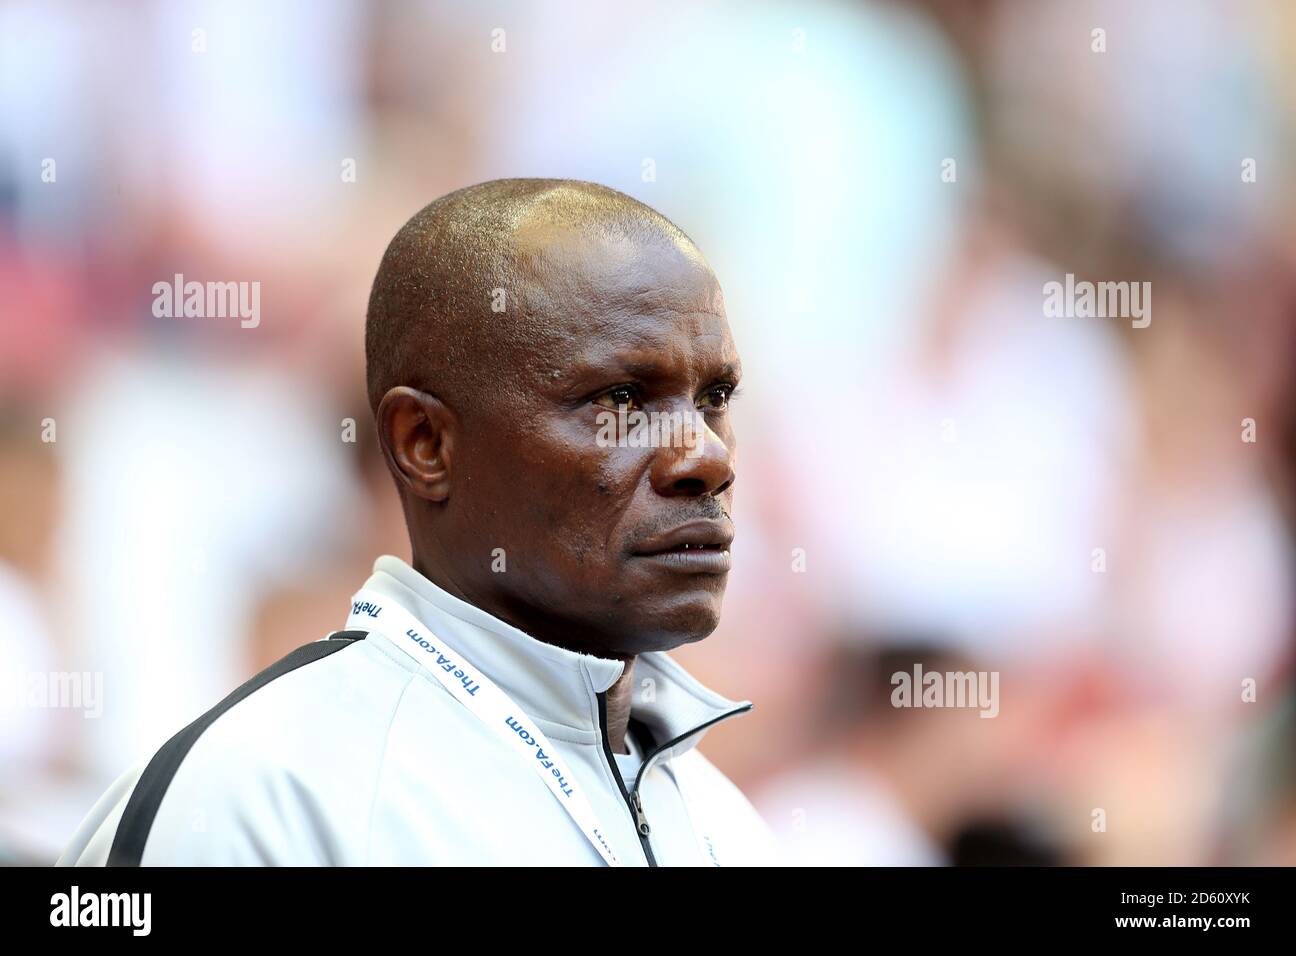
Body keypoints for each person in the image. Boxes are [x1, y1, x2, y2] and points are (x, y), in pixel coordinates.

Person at [57, 178, 778, 866]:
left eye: (714, 399)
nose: (707, 457)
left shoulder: (725, 825)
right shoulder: (264, 799)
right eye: (621, 398)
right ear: (424, 444)